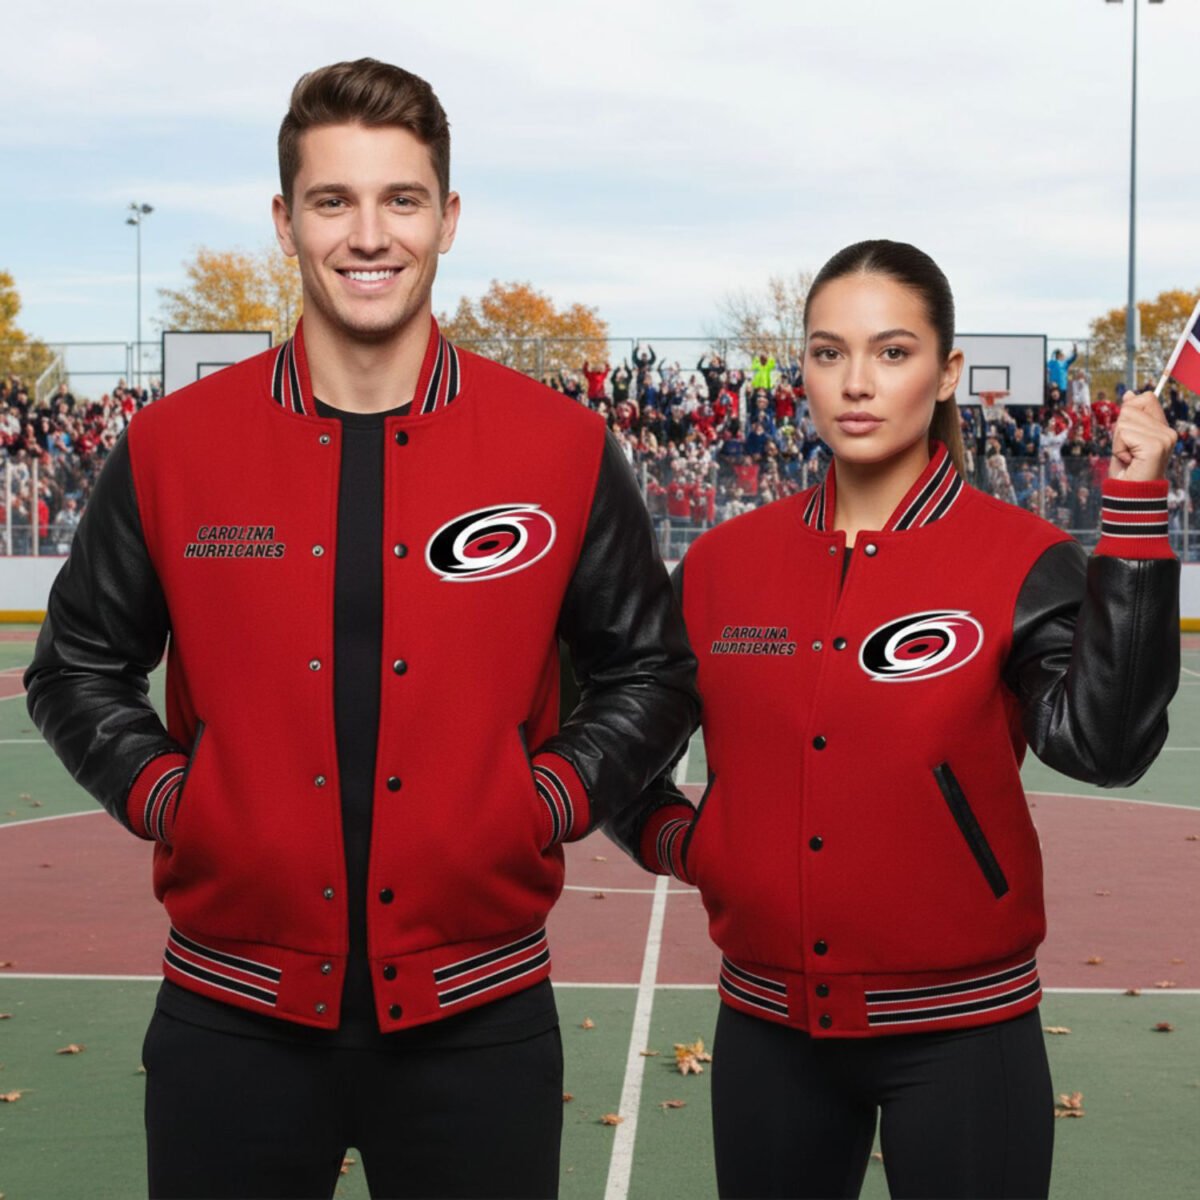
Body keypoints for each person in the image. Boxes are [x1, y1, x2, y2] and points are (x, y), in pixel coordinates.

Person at [25, 59, 697, 1200]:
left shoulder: (565, 448)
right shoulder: (173, 447)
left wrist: (546, 800)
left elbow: (650, 670)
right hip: (228, 1020)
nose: (368, 234)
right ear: (285, 221)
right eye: (333, 201)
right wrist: (175, 802)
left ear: (448, 218)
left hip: (480, 1023)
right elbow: (77, 665)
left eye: (401, 199)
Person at [612, 240, 1179, 1200]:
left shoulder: (1022, 559)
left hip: (966, 1033)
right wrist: (682, 840)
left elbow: (1107, 747)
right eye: (829, 353)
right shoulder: (718, 566)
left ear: (948, 372)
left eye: (893, 351)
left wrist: (1131, 516)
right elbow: (619, 736)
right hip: (767, 1028)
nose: (856, 383)